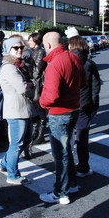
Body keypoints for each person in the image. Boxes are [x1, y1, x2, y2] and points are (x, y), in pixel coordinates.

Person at [39, 32, 86, 205]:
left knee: (61, 155)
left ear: (49, 45)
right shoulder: (74, 58)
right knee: (66, 151)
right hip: (73, 109)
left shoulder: (54, 64)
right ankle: (71, 185)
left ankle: (61, 192)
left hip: (59, 113)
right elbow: (83, 82)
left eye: (44, 44)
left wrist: (42, 103)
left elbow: (51, 96)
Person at [0, 37, 35, 185]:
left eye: (21, 47)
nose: (20, 50)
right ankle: (12, 174)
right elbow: (22, 88)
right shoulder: (9, 67)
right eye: (16, 48)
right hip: (16, 110)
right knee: (17, 143)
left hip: (23, 108)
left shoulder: (17, 65)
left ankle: (5, 163)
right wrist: (31, 85)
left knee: (25, 141)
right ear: (8, 49)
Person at [68, 36, 101, 177]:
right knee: (82, 138)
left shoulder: (67, 61)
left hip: (68, 104)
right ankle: (83, 166)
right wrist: (93, 106)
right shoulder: (89, 63)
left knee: (67, 137)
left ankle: (67, 168)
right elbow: (95, 87)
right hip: (84, 104)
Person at [27, 32, 47, 145]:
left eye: (30, 40)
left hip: (38, 84)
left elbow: (36, 72)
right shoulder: (31, 52)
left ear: (36, 41)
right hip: (32, 83)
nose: (29, 42)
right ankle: (35, 131)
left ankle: (41, 134)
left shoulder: (41, 52)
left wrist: (28, 68)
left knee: (39, 109)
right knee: (34, 109)